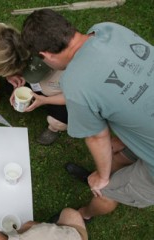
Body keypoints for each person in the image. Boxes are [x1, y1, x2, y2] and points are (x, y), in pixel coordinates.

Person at [21, 9, 154, 221]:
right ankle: (106, 172)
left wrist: (102, 178)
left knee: (106, 191)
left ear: (45, 55)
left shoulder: (75, 81)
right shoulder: (108, 29)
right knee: (115, 151)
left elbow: (96, 136)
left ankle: (84, 214)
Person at [9, 55, 67, 145]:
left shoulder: (73, 71)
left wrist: (45, 100)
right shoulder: (36, 51)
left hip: (61, 97)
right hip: (39, 86)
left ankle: (53, 129)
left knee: (57, 122)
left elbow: (73, 97)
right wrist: (18, 87)